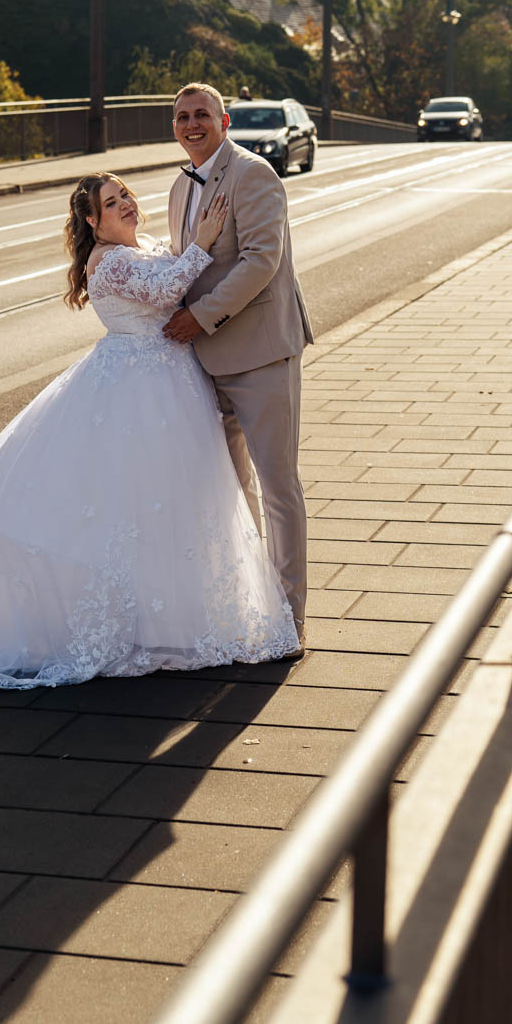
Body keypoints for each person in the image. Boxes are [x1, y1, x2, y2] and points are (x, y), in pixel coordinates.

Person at [0, 172, 300, 696]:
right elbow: (168, 290)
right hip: (134, 388)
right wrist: (203, 242)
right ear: (91, 220)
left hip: (171, 384)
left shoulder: (144, 245)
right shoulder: (105, 261)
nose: (125, 203)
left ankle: (169, 615)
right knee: (127, 504)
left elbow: (174, 283)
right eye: (111, 201)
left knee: (170, 504)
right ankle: (134, 625)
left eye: (125, 194)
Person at [164, 82, 313, 644]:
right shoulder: (181, 186)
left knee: (278, 487)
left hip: (261, 353)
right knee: (229, 487)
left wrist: (199, 316)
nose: (192, 124)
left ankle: (290, 621)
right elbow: (185, 263)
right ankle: (252, 605)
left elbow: (260, 260)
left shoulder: (254, 174)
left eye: (202, 114)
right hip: (203, 361)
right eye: (182, 116)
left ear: (224, 120)